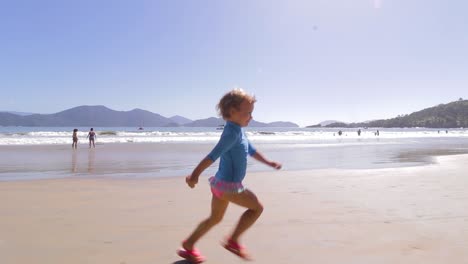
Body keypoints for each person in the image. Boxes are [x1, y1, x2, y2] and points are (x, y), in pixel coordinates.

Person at [177, 89, 282, 263]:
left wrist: (269, 162)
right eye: (248, 113)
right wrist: (194, 175)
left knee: (215, 218)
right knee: (257, 208)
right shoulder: (231, 134)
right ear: (233, 112)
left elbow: (252, 150)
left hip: (218, 185)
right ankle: (233, 241)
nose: (251, 117)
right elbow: (212, 155)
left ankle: (189, 245)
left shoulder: (238, 130)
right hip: (229, 187)